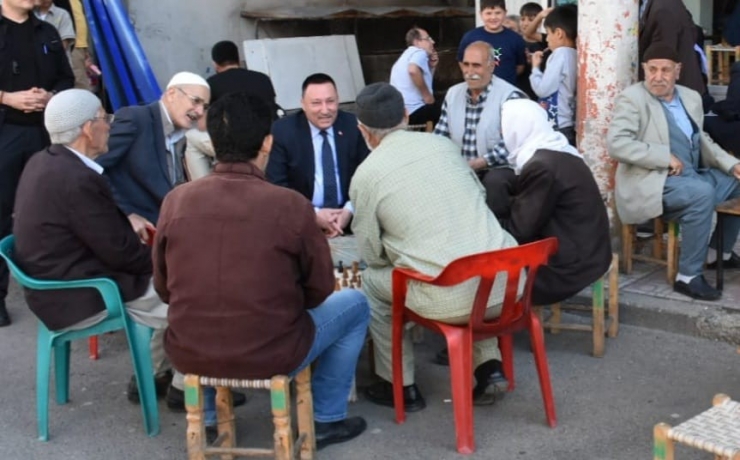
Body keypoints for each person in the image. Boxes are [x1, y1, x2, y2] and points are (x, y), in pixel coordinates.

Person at [153, 91, 369, 450]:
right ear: (267, 143)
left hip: (189, 350)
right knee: (356, 305)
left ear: (213, 143)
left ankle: (208, 420)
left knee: (196, 314)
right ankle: (327, 418)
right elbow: (318, 290)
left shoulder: (175, 201)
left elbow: (164, 288)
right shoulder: (290, 205)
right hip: (274, 351)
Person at [351, 82, 519, 411]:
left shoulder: (366, 174)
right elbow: (479, 198)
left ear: (363, 131)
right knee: (470, 260)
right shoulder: (443, 146)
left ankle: (399, 385)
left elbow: (371, 254)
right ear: (405, 114)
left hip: (449, 297)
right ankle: (488, 367)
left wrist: (397, 250)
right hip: (511, 286)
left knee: (372, 283)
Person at [12, 89, 183, 411]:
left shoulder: (44, 161)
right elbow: (121, 255)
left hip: (54, 283)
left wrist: (126, 221)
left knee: (175, 279)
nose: (110, 126)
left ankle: (160, 375)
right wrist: (169, 259)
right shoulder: (76, 178)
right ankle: (186, 388)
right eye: (106, 119)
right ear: (88, 129)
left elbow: (91, 228)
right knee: (190, 295)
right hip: (79, 293)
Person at [607, 44, 740, 301]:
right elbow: (617, 144)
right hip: (654, 181)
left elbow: (702, 140)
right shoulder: (632, 98)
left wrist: (731, 164)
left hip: (691, 175)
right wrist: (662, 157)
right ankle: (688, 276)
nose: (658, 76)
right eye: (652, 69)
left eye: (665, 70)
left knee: (735, 182)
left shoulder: (690, 97)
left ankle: (717, 253)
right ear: (644, 70)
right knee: (702, 194)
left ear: (677, 71)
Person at [0, 0, 75, 327]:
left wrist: (51, 95)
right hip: (5, 132)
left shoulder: (48, 31)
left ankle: (58, 295)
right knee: (2, 213)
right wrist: (7, 97)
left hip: (44, 133)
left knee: (49, 212)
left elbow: (66, 78)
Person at [498, 99, 612, 305]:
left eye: (503, 126)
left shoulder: (542, 166)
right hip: (592, 252)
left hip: (571, 265)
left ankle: (488, 325)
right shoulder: (560, 151)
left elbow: (520, 230)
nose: (501, 132)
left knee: (487, 271)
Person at [96, 71, 210, 224]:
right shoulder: (135, 119)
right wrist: (126, 213)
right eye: (196, 101)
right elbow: (94, 166)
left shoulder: (181, 136)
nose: (200, 111)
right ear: (171, 94)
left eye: (205, 106)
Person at [267, 73, 369, 237]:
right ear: (303, 104)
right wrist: (312, 214)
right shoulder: (283, 132)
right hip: (299, 223)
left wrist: (349, 211)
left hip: (351, 220)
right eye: (316, 103)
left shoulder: (353, 126)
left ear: (338, 100)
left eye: (330, 101)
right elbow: (277, 185)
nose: (325, 110)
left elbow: (368, 176)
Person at [435, 41, 525, 217]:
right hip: (463, 167)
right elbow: (440, 135)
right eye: (466, 65)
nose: (470, 72)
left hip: (499, 168)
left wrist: (479, 163)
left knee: (495, 182)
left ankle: (500, 234)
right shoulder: (453, 94)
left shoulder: (510, 97)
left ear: (491, 66)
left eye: (476, 65)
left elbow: (513, 143)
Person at [529, 5, 578, 146]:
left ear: (559, 33)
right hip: (568, 122)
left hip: (557, 124)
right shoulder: (575, 54)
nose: (547, 39)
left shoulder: (559, 54)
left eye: (548, 33)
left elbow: (543, 90)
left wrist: (535, 68)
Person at [638, 0, 706, 99]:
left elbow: (663, 57)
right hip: (679, 91)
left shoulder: (663, 8)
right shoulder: (665, 4)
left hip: (671, 94)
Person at [456, 0, 526, 86]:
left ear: (505, 13)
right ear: (481, 14)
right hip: (478, 88)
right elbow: (461, 61)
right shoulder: (470, 37)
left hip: (506, 89)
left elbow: (520, 66)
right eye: (488, 13)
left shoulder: (516, 39)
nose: (493, 17)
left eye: (498, 13)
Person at [206, 40, 279, 114]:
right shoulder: (263, 78)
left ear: (215, 64)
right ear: (238, 60)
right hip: (267, 124)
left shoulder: (210, 84)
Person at [389, 27, 440, 125]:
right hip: (415, 110)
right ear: (417, 42)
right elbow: (413, 70)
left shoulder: (405, 56)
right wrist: (427, 96)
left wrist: (431, 67)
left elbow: (423, 79)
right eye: (428, 39)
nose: (432, 42)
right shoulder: (419, 52)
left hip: (402, 114)